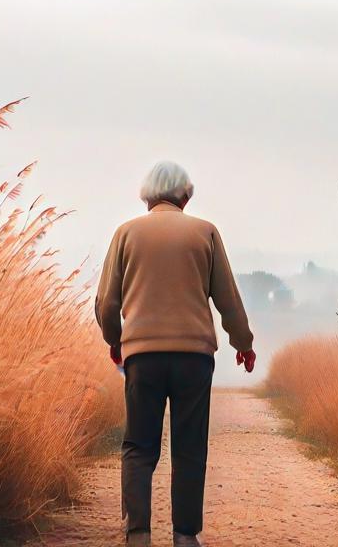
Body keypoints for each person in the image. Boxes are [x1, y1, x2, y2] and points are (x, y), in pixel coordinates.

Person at [95, 161, 256, 547]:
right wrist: (243, 344)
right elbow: (228, 300)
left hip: (142, 356)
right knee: (189, 444)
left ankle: (138, 534)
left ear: (147, 194)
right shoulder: (206, 233)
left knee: (138, 445)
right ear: (186, 195)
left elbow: (106, 302)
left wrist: (116, 341)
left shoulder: (125, 234)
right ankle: (185, 535)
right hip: (193, 356)